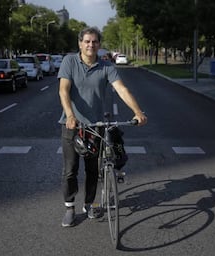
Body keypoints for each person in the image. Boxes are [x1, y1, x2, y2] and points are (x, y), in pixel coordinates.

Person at [58, 27, 147, 227]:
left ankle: (88, 204)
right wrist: (71, 115)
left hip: (95, 126)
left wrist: (138, 112)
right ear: (80, 43)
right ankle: (69, 207)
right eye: (87, 41)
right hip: (71, 124)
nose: (91, 45)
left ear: (99, 45)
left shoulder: (106, 66)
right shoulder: (69, 62)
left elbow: (122, 89)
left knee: (92, 169)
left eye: (95, 42)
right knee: (70, 169)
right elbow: (63, 90)